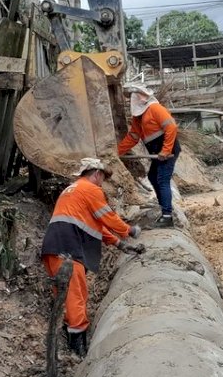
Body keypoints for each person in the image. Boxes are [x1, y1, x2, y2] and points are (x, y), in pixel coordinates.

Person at [40, 158, 143, 356]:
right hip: (68, 246)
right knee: (76, 295)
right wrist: (129, 231)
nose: (102, 183)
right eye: (102, 178)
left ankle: (68, 337)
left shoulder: (74, 190)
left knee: (65, 293)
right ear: (96, 173)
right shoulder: (90, 189)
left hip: (54, 246)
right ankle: (77, 348)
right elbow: (108, 217)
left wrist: (120, 245)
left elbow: (96, 227)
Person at [117, 85, 181, 228]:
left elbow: (171, 127)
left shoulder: (155, 109)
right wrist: (117, 151)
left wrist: (165, 150)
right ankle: (162, 207)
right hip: (157, 153)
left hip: (168, 152)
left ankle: (167, 216)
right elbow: (133, 137)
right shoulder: (138, 118)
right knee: (152, 177)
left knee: (162, 179)